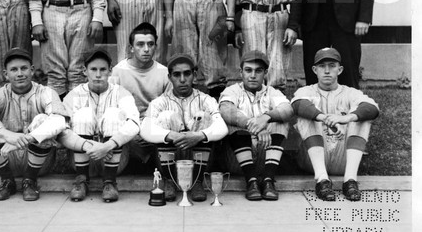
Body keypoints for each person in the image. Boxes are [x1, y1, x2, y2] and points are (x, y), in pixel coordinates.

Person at [0, 48, 68, 201]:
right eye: (14, 69)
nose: (20, 73)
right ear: (6, 74)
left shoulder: (45, 92)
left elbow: (60, 120)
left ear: (32, 70)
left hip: (39, 164)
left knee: (43, 120)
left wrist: (27, 139)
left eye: (24, 68)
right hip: (5, 158)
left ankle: (30, 180)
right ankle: (7, 181)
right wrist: (7, 135)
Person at [291, 47, 379, 201]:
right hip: (312, 159)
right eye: (321, 66)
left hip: (343, 157)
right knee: (307, 117)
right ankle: (322, 179)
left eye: (332, 66)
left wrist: (347, 118)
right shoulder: (306, 91)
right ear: (314, 70)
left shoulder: (351, 92)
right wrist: (325, 118)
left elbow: (372, 109)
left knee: (361, 118)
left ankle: (350, 181)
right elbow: (298, 105)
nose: (326, 71)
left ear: (340, 69)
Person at [140, 53, 228, 202]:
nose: (182, 79)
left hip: (197, 155)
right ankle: (169, 180)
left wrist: (199, 135)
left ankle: (197, 182)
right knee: (166, 117)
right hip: (170, 155)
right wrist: (171, 135)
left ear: (194, 75)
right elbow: (145, 130)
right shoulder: (159, 102)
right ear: (169, 77)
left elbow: (222, 127)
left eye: (187, 74)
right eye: (176, 75)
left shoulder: (206, 99)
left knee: (204, 116)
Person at [58, 48, 140, 203]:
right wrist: (91, 146)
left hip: (114, 160)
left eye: (103, 69)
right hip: (81, 159)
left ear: (110, 71)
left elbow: (135, 123)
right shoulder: (74, 95)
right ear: (85, 71)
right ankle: (81, 180)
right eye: (93, 69)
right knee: (84, 114)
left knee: (113, 114)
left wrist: (108, 145)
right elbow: (61, 129)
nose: (98, 74)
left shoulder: (121, 92)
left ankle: (110, 182)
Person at [218, 50, 293, 201]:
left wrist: (265, 118)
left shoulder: (272, 92)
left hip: (267, 157)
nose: (253, 75)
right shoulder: (232, 90)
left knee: (281, 121)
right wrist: (254, 126)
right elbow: (226, 111)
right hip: (237, 161)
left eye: (258, 71)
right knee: (234, 122)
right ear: (241, 72)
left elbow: (288, 109)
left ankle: (268, 181)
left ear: (265, 73)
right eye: (248, 70)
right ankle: (251, 181)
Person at [110, 22, 171, 165]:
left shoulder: (164, 73)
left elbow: (169, 108)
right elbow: (112, 107)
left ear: (156, 46)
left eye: (150, 44)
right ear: (131, 48)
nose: (146, 49)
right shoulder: (118, 71)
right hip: (129, 129)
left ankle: (165, 170)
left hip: (154, 128)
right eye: (140, 44)